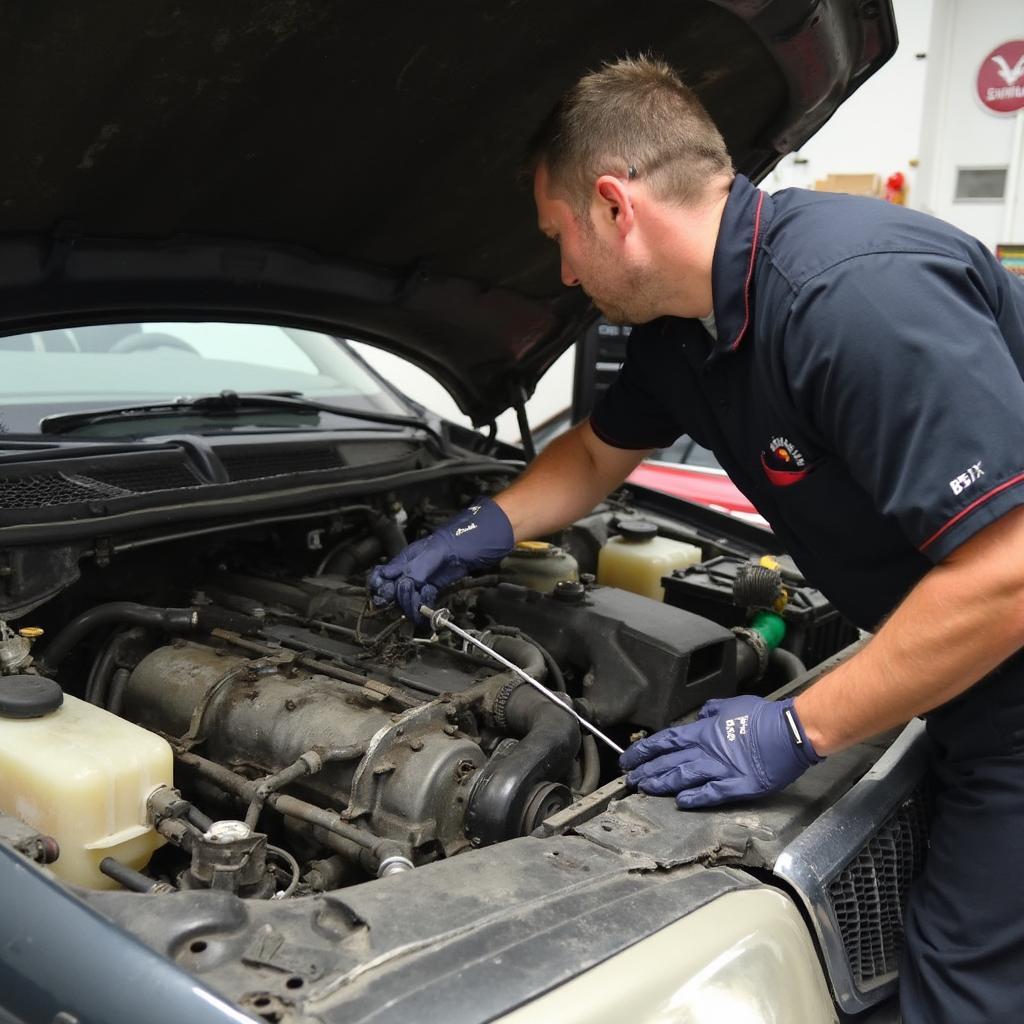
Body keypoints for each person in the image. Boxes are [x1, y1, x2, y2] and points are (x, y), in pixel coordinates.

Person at [369, 56, 1024, 1023]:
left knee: (962, 990)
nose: (561, 274)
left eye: (560, 239)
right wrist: (481, 526)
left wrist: (800, 726)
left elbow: (1010, 573)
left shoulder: (854, 301)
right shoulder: (688, 327)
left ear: (613, 206)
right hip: (956, 666)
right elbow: (593, 455)